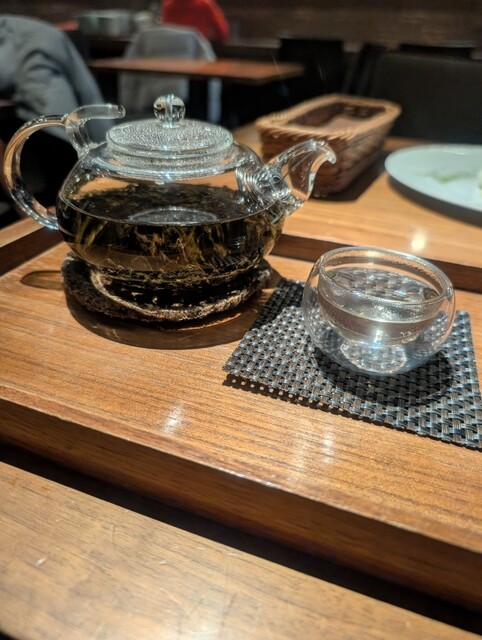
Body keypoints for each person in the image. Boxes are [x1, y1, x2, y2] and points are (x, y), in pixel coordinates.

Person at [161, 0, 230, 43]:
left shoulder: (167, 6)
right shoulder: (205, 5)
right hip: (198, 56)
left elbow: (164, 33)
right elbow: (222, 33)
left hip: (170, 56)